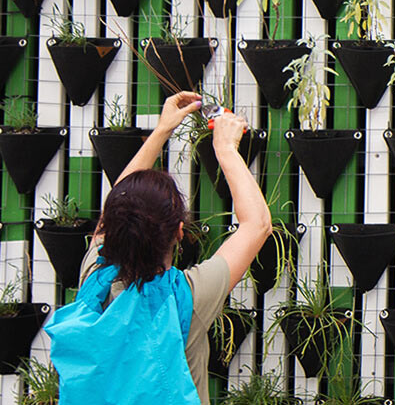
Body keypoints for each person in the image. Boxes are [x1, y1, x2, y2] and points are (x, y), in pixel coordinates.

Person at [45, 93, 272, 405]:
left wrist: (162, 130)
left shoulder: (95, 278)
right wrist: (225, 149)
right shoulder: (187, 298)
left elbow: (115, 211)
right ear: (179, 232)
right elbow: (257, 224)